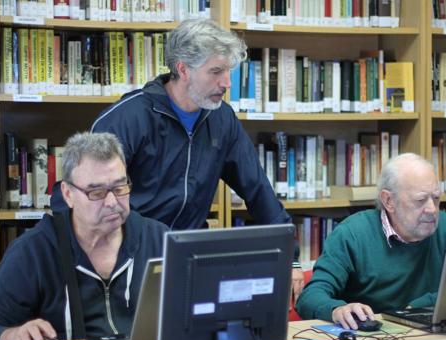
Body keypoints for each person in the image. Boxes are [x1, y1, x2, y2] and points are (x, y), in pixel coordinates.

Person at [83, 18, 304, 297]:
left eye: (228, 71)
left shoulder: (222, 119)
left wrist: (290, 256)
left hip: (187, 260)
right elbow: (79, 200)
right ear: (183, 69)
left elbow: (258, 190)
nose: (226, 83)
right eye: (216, 72)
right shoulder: (129, 118)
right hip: (123, 264)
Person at [0, 133, 169, 340]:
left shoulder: (158, 239)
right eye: (96, 192)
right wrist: (14, 335)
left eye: (119, 188)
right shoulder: (33, 252)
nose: (112, 202)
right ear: (68, 194)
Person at [295, 153, 446, 330]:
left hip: (429, 336)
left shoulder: (445, 226)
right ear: (389, 201)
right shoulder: (352, 234)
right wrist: (337, 310)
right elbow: (310, 297)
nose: (432, 209)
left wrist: (421, 305)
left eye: (436, 198)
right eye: (420, 200)